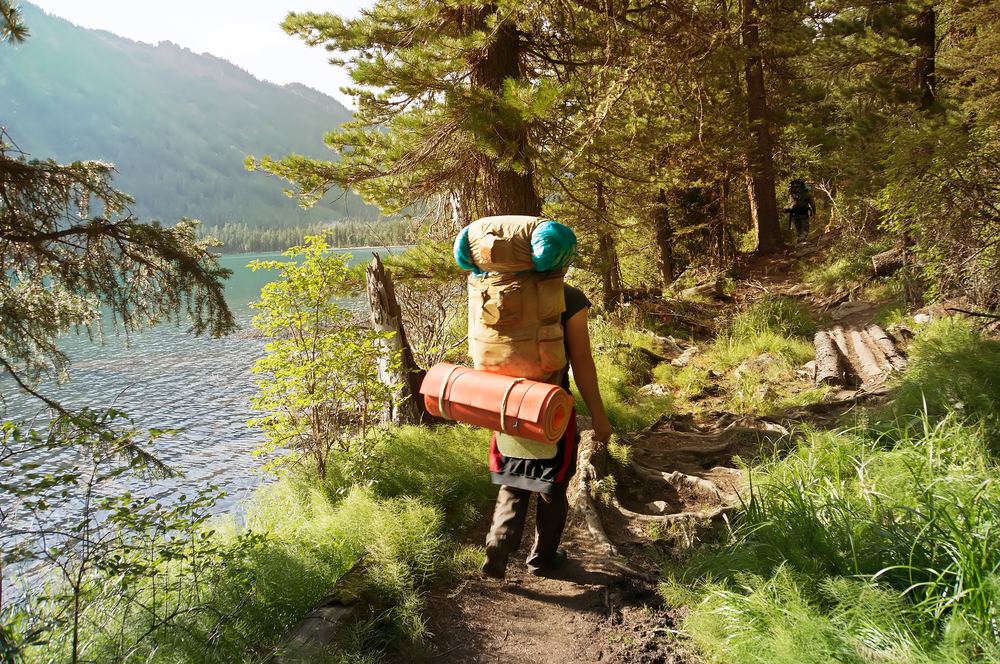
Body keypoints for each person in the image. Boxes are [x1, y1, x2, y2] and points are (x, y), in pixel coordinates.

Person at [481, 284, 613, 579]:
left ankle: (497, 546)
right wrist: (598, 415)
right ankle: (542, 558)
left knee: (513, 480)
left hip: (509, 403)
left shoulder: (499, 292)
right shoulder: (570, 297)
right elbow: (580, 358)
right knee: (551, 485)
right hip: (551, 407)